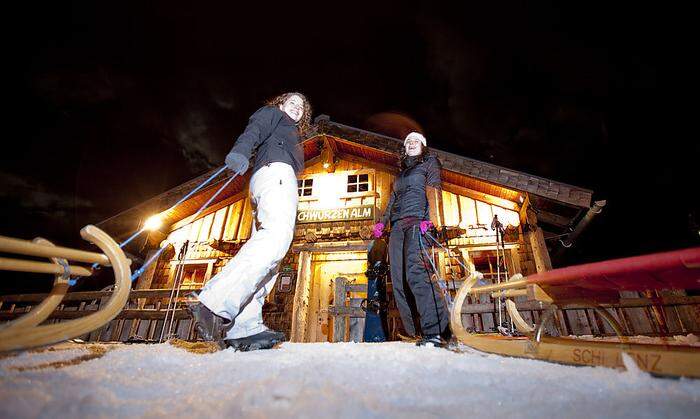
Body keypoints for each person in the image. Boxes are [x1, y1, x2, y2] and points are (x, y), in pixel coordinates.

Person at [187, 92, 311, 351]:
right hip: (274, 174)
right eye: (292, 102)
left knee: (270, 252)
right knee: (277, 236)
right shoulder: (273, 114)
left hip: (272, 178)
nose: (297, 107)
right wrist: (240, 152)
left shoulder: (290, 131)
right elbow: (254, 128)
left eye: (302, 106)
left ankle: (245, 326)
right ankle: (214, 301)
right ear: (280, 103)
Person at [373, 132, 450, 347]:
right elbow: (392, 201)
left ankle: (435, 331)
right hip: (398, 227)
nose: (411, 144)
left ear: (423, 146)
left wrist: (432, 221)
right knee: (398, 279)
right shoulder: (401, 174)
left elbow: (434, 189)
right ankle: (414, 331)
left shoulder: (429, 163)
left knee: (417, 273)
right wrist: (383, 222)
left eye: (416, 141)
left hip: (418, 222)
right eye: (407, 142)